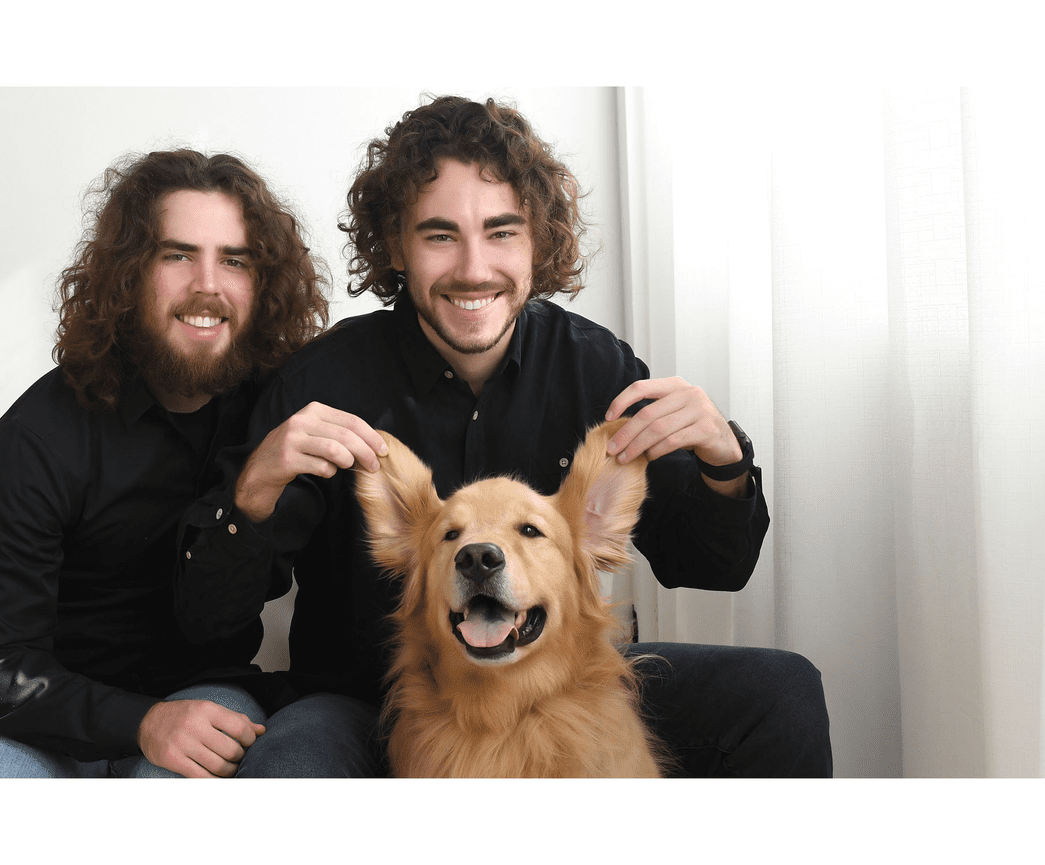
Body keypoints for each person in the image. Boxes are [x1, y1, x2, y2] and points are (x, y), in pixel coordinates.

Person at [178, 96, 832, 777]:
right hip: (362, 699)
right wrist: (252, 491)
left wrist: (725, 462)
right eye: (439, 236)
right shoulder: (321, 380)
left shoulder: (593, 367)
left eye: (500, 232)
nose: (473, 268)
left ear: (537, 241)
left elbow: (711, 568)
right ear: (396, 245)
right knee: (287, 766)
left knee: (780, 690)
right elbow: (207, 620)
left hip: (557, 687)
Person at [0, 149, 376, 778]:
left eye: (235, 260)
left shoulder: (274, 413)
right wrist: (140, 723)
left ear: (262, 284)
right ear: (129, 275)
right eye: (177, 255)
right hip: (48, 713)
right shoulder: (40, 434)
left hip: (204, 694)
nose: (208, 285)